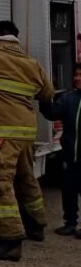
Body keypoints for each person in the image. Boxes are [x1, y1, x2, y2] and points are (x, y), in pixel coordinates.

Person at [0, 19, 54, 261]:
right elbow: (47, 93)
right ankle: (36, 226)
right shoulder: (31, 63)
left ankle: (10, 241)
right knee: (26, 179)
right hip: (24, 134)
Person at [40, 61, 81, 239]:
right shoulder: (68, 98)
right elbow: (52, 113)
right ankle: (70, 223)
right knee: (68, 189)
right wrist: (44, 98)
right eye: (76, 75)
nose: (77, 78)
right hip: (70, 155)